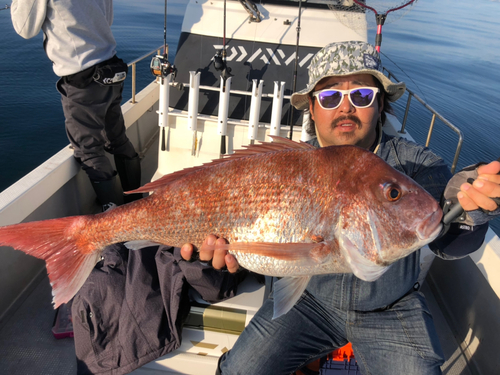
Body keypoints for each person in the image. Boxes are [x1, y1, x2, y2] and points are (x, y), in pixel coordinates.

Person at [180, 41, 500, 375]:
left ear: (380, 105)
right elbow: (244, 237)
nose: (346, 108)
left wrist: (471, 207)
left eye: (361, 95)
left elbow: (446, 234)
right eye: (330, 97)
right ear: (313, 109)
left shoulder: (413, 164)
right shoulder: (284, 165)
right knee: (239, 370)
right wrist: (219, 259)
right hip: (307, 303)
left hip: (390, 307)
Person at [11, 0, 142, 211]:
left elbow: (25, 28)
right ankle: (136, 202)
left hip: (83, 79)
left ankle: (117, 221)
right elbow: (105, 19)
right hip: (111, 68)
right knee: (117, 139)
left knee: (89, 151)